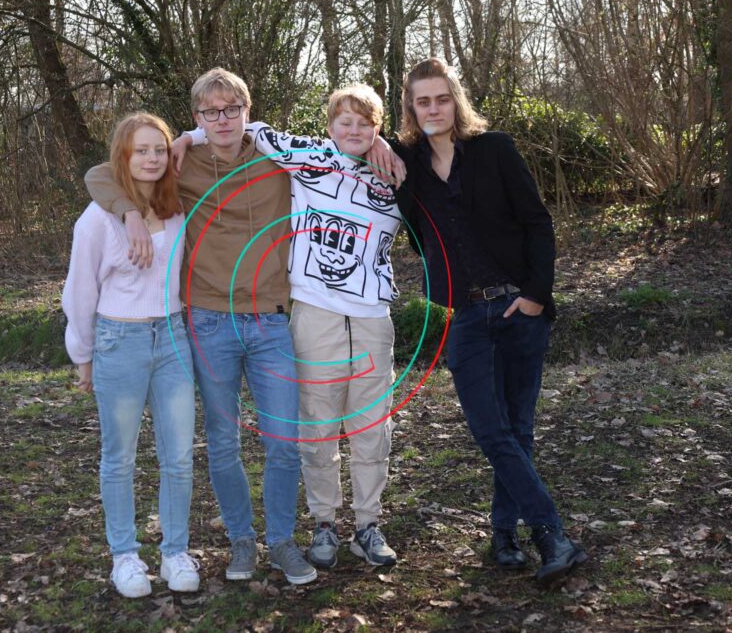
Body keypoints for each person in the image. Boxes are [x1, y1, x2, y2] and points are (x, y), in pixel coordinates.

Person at [84, 69, 317, 585]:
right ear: (197, 118)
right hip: (209, 321)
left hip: (271, 321)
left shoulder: (280, 159)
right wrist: (128, 213)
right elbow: (102, 174)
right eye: (211, 112)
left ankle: (282, 540)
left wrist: (381, 147)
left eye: (232, 109)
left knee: (284, 441)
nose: (223, 119)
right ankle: (241, 540)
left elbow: (342, 151)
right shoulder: (182, 164)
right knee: (223, 441)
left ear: (247, 110)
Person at [175, 84, 404, 569]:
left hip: (371, 316)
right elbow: (248, 128)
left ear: (379, 128)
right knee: (317, 426)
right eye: (344, 121)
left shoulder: (396, 172)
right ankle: (324, 523)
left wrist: (384, 144)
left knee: (371, 427)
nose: (354, 130)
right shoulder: (303, 157)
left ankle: (368, 523)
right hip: (311, 312)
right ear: (328, 125)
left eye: (365, 123)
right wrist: (186, 137)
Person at [393, 58, 588, 586]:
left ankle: (506, 534)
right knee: (489, 428)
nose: (433, 109)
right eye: (422, 101)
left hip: (518, 308)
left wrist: (535, 296)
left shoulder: (495, 149)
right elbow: (347, 139)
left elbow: (537, 222)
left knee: (517, 427)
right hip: (466, 316)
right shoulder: (405, 164)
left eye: (441, 98)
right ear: (411, 108)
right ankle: (552, 534)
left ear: (455, 100)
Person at [62, 113, 199, 598]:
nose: (152, 158)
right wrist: (83, 356)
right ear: (123, 156)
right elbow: (79, 293)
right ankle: (124, 556)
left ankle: (175, 552)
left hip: (173, 338)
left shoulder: (177, 207)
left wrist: (192, 136)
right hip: (119, 340)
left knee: (178, 456)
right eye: (140, 150)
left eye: (159, 149)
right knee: (120, 457)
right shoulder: (97, 220)